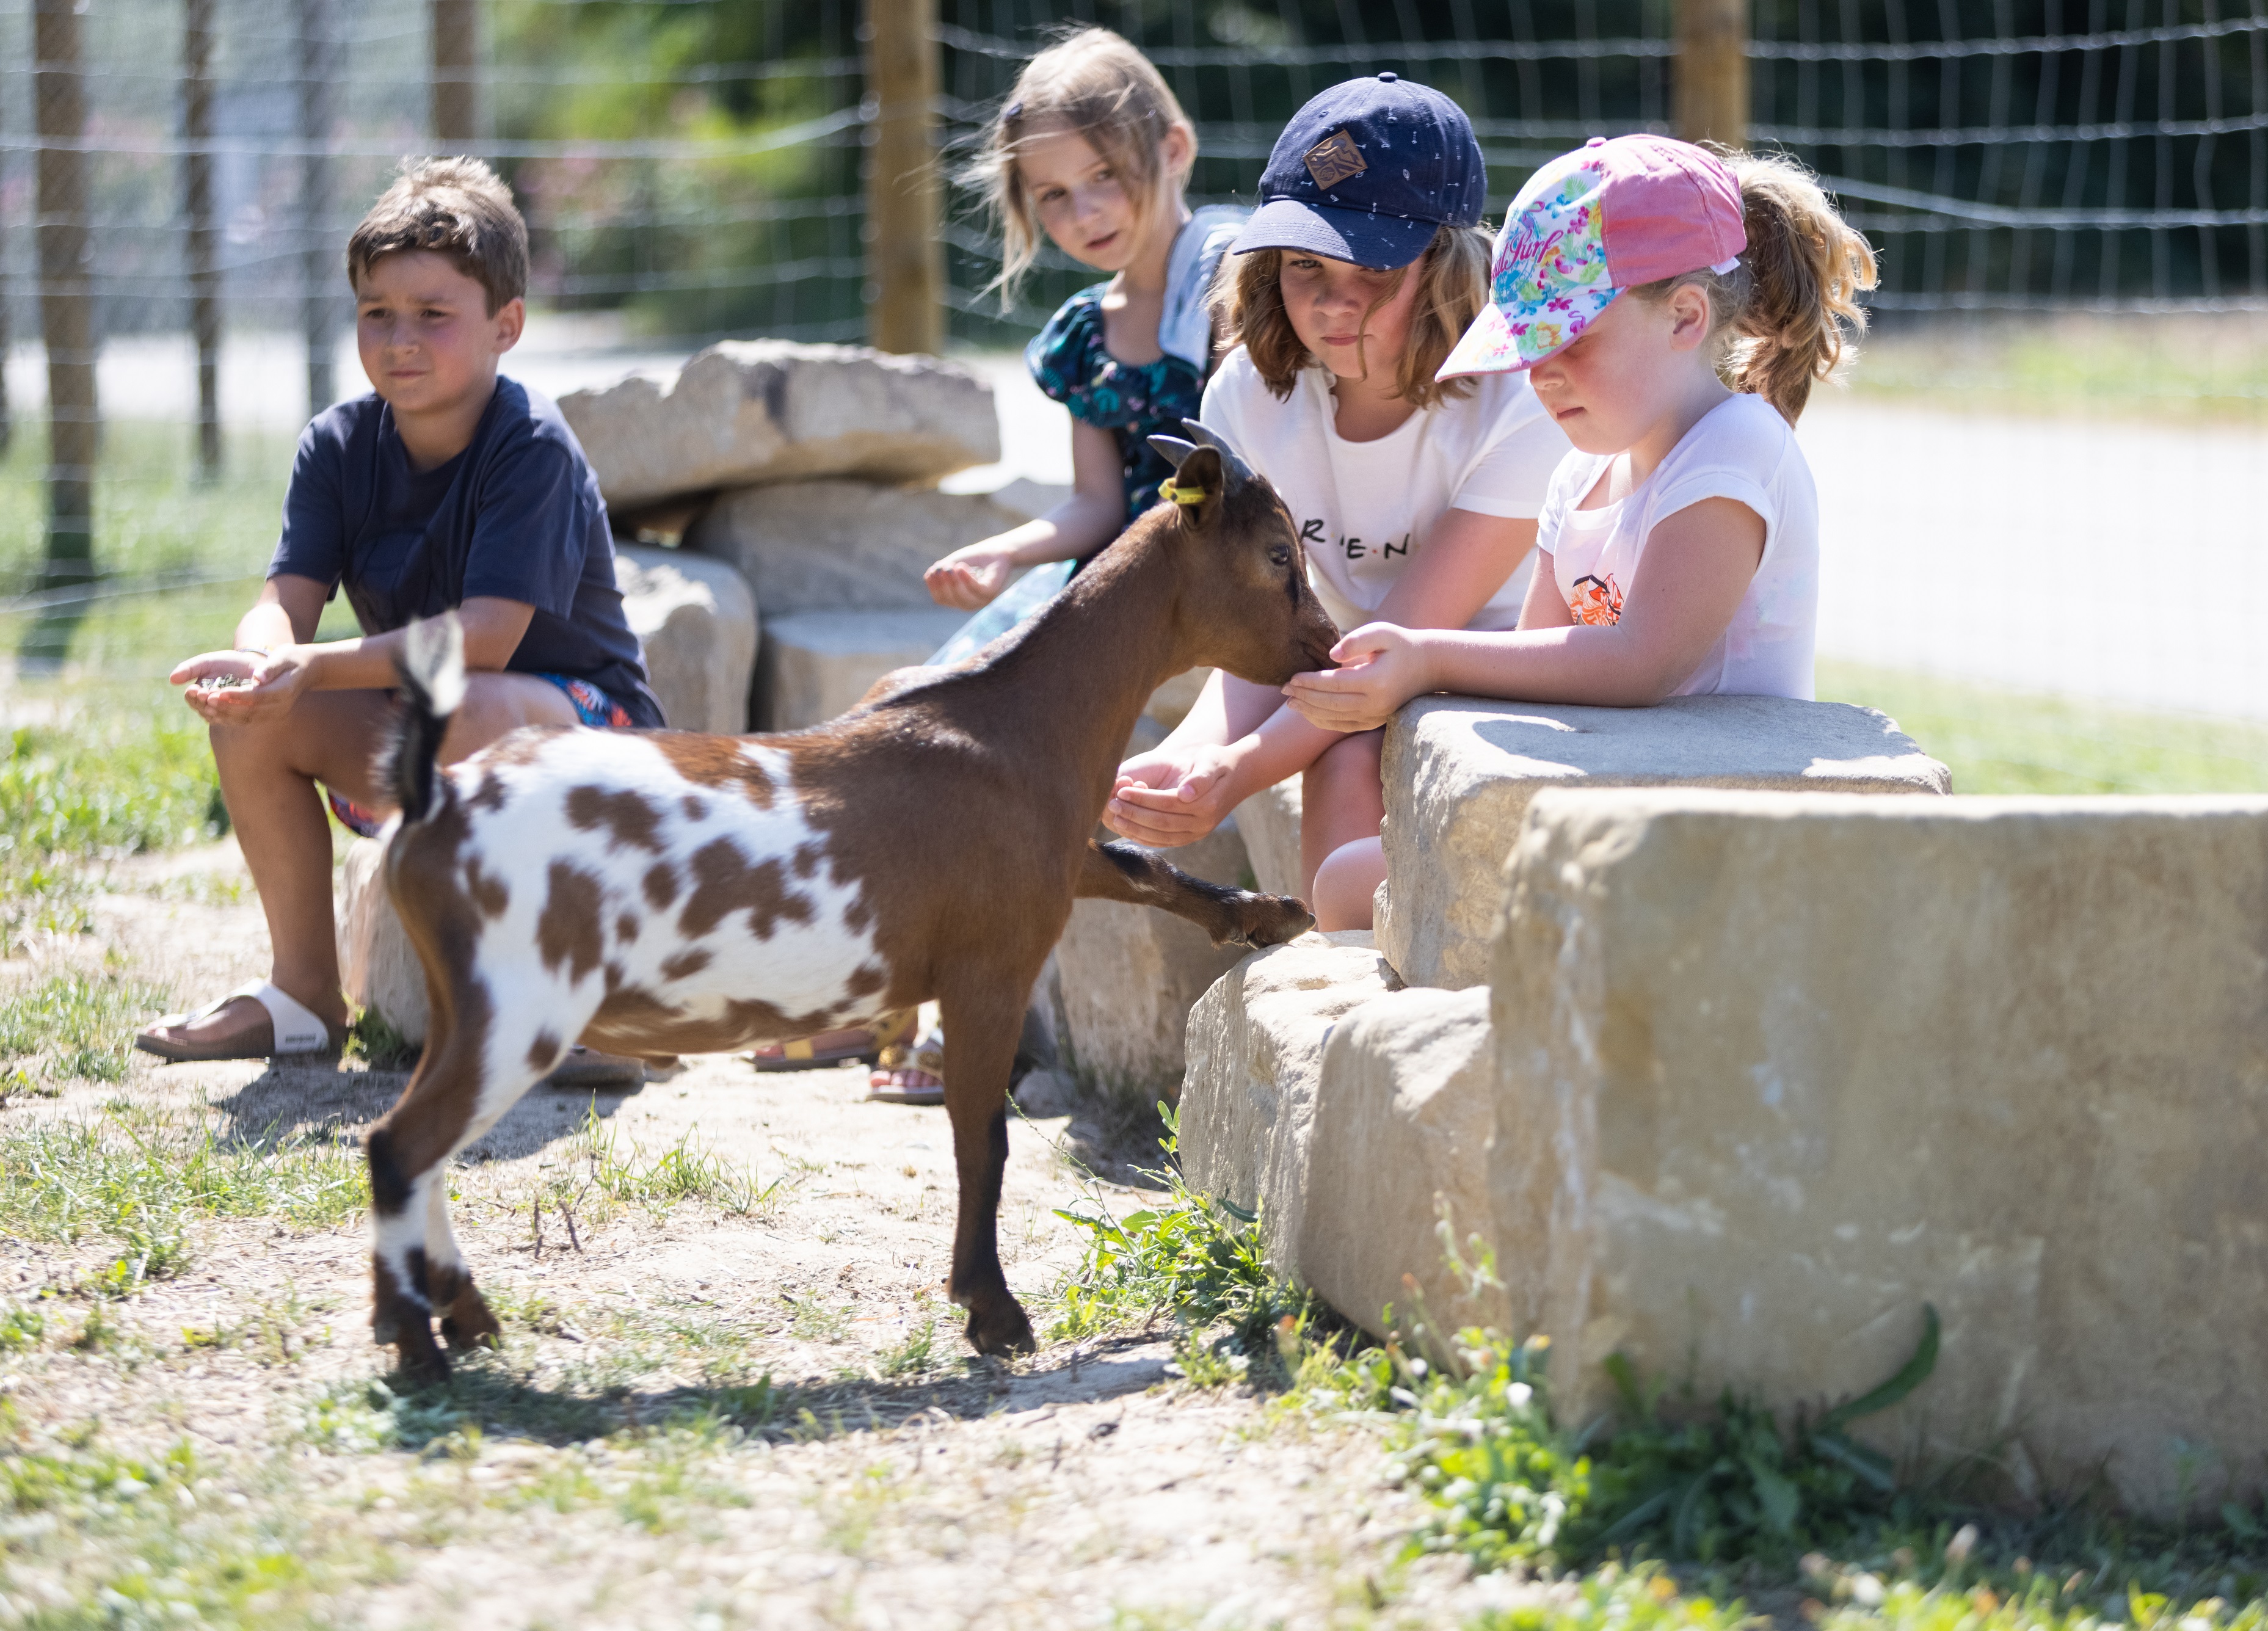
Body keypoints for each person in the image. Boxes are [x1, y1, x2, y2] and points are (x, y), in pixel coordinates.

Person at [754, 27, 1247, 1104]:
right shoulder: (1082, 335)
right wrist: (1004, 548)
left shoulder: (1230, 286)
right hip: (1097, 579)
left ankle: (956, 1001)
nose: (1082, 216)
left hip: (1190, 595)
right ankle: (869, 981)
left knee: (995, 750)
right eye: (1054, 198)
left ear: (1172, 148)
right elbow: (1086, 505)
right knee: (906, 703)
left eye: (1100, 181)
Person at [136, 157, 664, 1075]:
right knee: (257, 716)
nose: (399, 338)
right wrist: (260, 665)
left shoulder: (528, 443)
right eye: (376, 312)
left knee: (475, 707)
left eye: (432, 314)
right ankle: (303, 997)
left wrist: (318, 666)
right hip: (428, 745)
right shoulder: (338, 445)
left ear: (506, 326)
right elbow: (283, 601)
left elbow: (484, 641)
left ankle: (576, 1007)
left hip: (591, 755)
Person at [1279, 135, 1880, 916]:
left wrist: (1427, 657)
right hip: (1622, 807)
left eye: (1571, 338)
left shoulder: (1736, 449)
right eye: (1528, 344)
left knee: (1361, 888)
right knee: (1348, 880)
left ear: (1686, 316)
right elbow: (1538, 664)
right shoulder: (1580, 474)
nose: (1544, 372)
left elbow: (1642, 662)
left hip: (1719, 836)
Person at [1099, 73, 1569, 931]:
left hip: (1503, 675)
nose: (1330, 301)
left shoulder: (1521, 398)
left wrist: (1238, 770)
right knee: (1344, 758)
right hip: (1339, 674)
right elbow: (1258, 633)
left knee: (1354, 750)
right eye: (1304, 265)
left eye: (1374, 268)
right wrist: (1176, 764)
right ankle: (1346, 1000)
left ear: (1447, 262)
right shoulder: (1243, 396)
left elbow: (1401, 640)